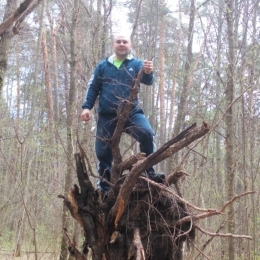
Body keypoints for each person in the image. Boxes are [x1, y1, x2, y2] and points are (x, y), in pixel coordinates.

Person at [81, 34, 165, 193]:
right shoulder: (103, 66)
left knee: (147, 134)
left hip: (131, 113)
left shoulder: (137, 64)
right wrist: (86, 107)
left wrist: (148, 72)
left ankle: (149, 172)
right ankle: (105, 189)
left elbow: (148, 81)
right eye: (118, 42)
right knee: (102, 152)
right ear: (113, 45)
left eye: (124, 42)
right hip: (107, 115)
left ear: (130, 45)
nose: (121, 44)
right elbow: (93, 88)